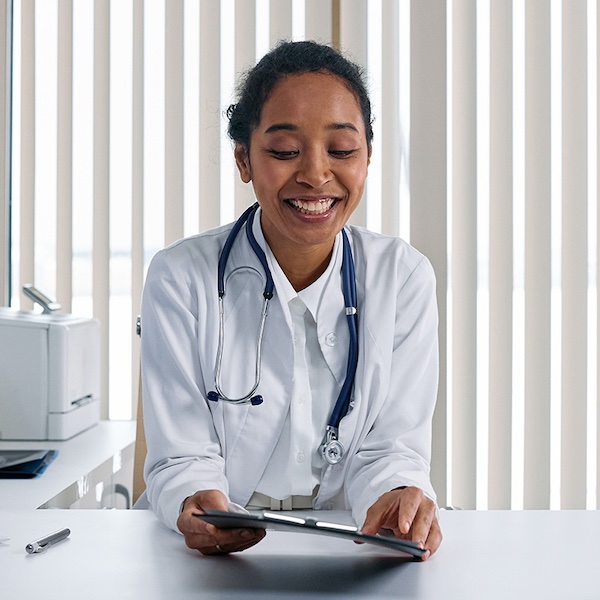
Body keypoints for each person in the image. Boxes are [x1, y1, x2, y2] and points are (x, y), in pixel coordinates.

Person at [140, 40, 442, 559]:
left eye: (342, 150)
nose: (315, 174)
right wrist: (197, 501)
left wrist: (397, 496)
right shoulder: (180, 277)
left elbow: (392, 447)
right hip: (209, 561)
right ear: (244, 159)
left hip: (350, 548)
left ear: (367, 159)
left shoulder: (403, 277)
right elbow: (181, 455)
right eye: (284, 151)